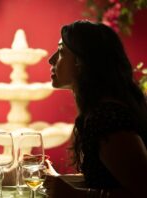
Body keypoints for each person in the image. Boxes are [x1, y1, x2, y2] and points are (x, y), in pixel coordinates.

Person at [45, 20, 147, 198]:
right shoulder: (101, 112)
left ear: (81, 61)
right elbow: (106, 180)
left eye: (61, 52)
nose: (51, 59)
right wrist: (56, 179)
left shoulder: (107, 120)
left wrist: (74, 195)